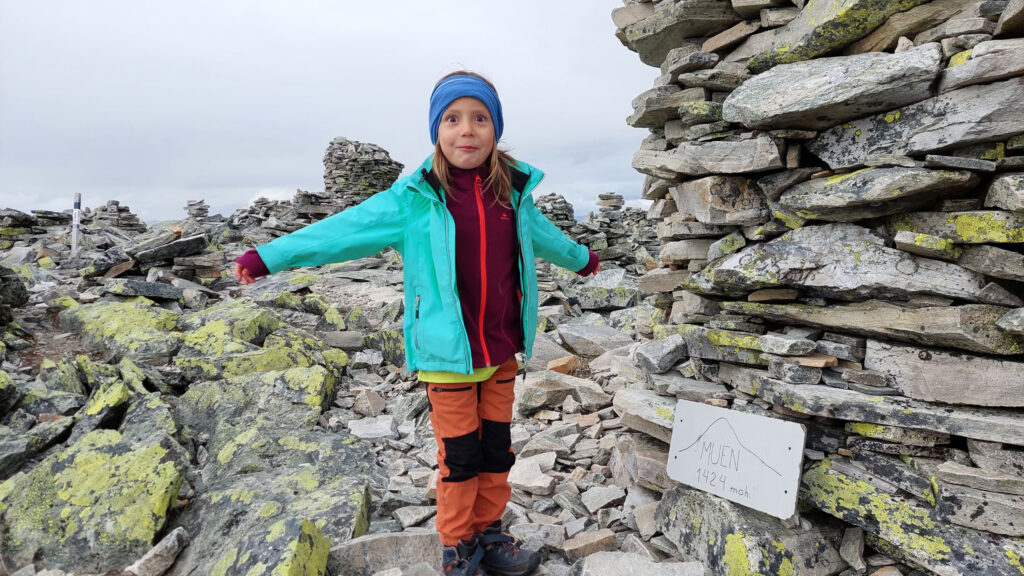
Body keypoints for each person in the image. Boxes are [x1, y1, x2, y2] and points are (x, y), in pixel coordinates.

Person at [234, 71, 600, 576]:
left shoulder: (513, 194)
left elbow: (546, 237)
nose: (465, 130)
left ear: (495, 130)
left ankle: (490, 535)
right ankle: (457, 546)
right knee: (461, 456)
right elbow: (344, 230)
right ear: (436, 131)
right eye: (452, 119)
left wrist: (584, 260)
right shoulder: (413, 199)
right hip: (446, 354)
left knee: (497, 451)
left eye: (479, 118)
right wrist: (268, 257)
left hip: (500, 348)